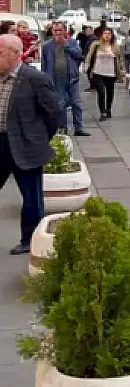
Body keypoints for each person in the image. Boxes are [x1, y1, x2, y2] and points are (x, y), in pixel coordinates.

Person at [0, 34, 61, 255]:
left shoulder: (35, 79)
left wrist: (39, 138)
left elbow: (54, 112)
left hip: (26, 145)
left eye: (0, 52)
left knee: (31, 197)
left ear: (15, 54)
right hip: (1, 143)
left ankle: (30, 239)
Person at [40, 23, 89, 137]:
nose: (58, 33)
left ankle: (79, 128)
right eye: (55, 30)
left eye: (60, 30)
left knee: (76, 103)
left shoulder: (72, 42)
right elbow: (44, 63)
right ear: (52, 31)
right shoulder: (47, 46)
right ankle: (62, 127)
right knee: (60, 104)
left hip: (72, 77)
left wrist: (66, 46)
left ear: (64, 31)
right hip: (56, 78)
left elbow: (79, 55)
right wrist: (45, 78)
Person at [83, 28, 124, 120]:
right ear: (102, 35)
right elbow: (89, 55)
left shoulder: (115, 46)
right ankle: (102, 112)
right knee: (101, 92)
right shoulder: (96, 45)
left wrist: (121, 70)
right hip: (98, 72)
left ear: (112, 35)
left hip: (110, 73)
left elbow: (120, 60)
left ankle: (108, 109)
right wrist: (86, 66)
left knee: (110, 92)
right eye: (105, 33)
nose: (107, 35)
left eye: (109, 33)